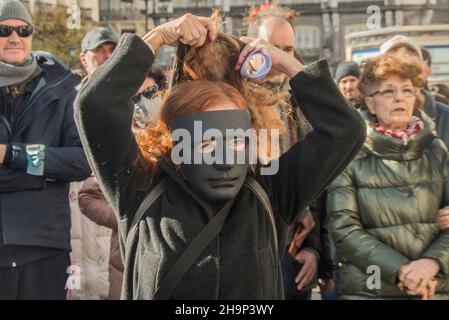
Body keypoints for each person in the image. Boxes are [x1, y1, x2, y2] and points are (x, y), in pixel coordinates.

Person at [74, 13, 365, 299]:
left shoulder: (270, 192)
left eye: (236, 141)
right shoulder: (140, 189)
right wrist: (158, 37)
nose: (225, 159)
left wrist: (284, 61)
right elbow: (95, 105)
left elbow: (344, 129)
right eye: (206, 142)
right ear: (175, 143)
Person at [327, 53, 449, 299]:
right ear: (370, 103)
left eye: (407, 90)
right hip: (371, 291)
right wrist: (401, 270)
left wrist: (432, 263)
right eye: (388, 91)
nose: (399, 97)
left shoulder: (436, 149)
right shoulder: (350, 153)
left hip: (434, 288)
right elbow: (343, 227)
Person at [0, 0, 90, 299]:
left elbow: (79, 162)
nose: (15, 37)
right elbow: (62, 163)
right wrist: (42, 175)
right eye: (5, 30)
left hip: (45, 246)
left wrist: (12, 155)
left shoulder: (60, 86)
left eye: (23, 30)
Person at [247, 13, 334, 299]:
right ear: (250, 44)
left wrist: (313, 249)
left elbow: (318, 182)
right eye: (272, 46)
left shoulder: (301, 103)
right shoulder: (228, 100)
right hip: (244, 249)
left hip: (292, 253)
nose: (280, 57)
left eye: (288, 50)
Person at [69, 26, 121, 300]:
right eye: (98, 51)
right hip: (75, 209)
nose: (106, 57)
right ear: (83, 58)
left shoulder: (131, 101)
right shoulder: (66, 101)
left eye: (113, 51)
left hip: (110, 209)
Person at [380, 35, 449, 149]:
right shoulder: (363, 123)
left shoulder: (446, 118)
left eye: (410, 54)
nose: (402, 60)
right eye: (392, 56)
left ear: (423, 70)